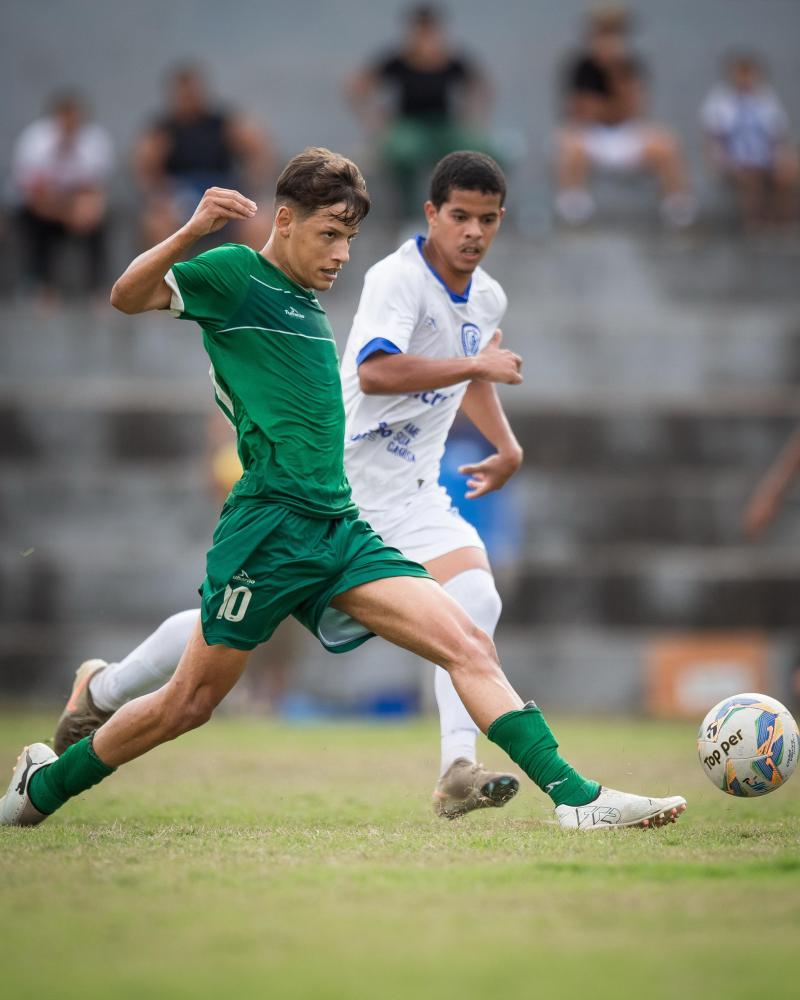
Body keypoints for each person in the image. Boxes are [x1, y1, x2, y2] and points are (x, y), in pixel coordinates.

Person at [1, 148, 686, 832]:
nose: (341, 254)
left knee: (467, 641)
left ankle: (576, 799)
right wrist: (189, 232)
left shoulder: (306, 298)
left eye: (350, 238)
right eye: (329, 234)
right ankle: (44, 786)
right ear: (287, 220)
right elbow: (126, 296)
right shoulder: (238, 275)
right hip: (268, 531)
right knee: (188, 704)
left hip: (340, 528)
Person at [346, 4, 494, 219]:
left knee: (473, 152)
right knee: (404, 153)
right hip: (410, 124)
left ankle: (464, 209)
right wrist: (374, 122)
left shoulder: (450, 60)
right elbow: (359, 86)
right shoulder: (399, 60)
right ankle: (410, 213)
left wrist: (474, 118)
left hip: (443, 124)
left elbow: (480, 86)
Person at [554, 5, 694, 228]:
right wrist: (609, 109)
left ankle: (678, 213)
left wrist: (614, 71)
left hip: (627, 132)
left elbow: (634, 109)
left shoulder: (630, 65)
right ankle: (574, 213)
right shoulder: (581, 66)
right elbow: (583, 112)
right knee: (570, 145)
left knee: (666, 143)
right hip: (593, 135)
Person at [133, 63, 274, 250]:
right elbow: (143, 166)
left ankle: (251, 277)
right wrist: (157, 194)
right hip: (182, 196)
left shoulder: (222, 123)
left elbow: (259, 147)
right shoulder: (163, 131)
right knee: (157, 224)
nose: (189, 98)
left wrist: (252, 183)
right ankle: (169, 278)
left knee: (259, 223)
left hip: (222, 191)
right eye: (184, 94)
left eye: (193, 92)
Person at [9, 91, 115, 301]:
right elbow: (33, 196)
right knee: (35, 224)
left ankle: (99, 287)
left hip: (77, 208)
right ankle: (40, 287)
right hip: (42, 209)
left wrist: (85, 211)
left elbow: (97, 190)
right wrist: (65, 214)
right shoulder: (34, 142)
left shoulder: (95, 142)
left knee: (100, 222)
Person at [701, 52, 798, 231]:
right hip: (736, 159)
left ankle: (785, 223)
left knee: (788, 172)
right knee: (751, 176)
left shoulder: (766, 99)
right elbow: (714, 139)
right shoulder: (720, 102)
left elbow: (777, 135)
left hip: (765, 157)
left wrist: (783, 159)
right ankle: (756, 224)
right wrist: (721, 163)